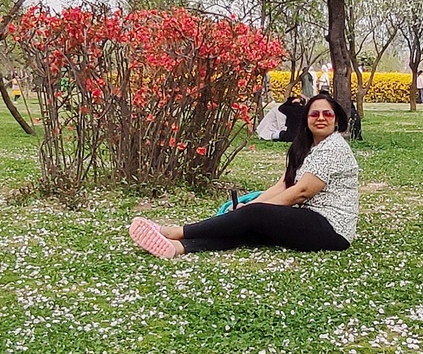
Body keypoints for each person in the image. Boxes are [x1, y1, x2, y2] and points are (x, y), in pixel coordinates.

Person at [129, 93, 359, 258]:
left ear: (337, 119)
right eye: (314, 114)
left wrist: (254, 210)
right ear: (306, 120)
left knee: (255, 216)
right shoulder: (306, 147)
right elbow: (284, 185)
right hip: (308, 220)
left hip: (331, 229)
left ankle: (176, 232)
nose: (320, 118)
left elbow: (300, 192)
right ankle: (181, 247)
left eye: (327, 114)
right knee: (250, 226)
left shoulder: (333, 147)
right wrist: (250, 207)